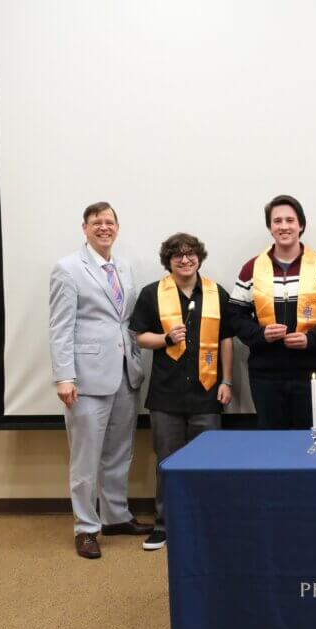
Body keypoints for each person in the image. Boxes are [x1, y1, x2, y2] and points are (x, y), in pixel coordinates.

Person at [49, 201, 150, 559]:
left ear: (117, 228)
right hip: (87, 378)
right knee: (86, 458)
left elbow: (125, 320)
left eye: (109, 222)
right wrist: (64, 376)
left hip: (125, 373)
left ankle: (115, 516)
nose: (104, 227)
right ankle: (86, 528)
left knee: (119, 453)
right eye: (97, 222)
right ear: (85, 228)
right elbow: (60, 327)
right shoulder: (67, 268)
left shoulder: (123, 266)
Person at [130, 233, 233, 551]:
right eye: (177, 255)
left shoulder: (217, 293)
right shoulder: (152, 293)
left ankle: (206, 522)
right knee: (168, 462)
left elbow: (227, 340)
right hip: (166, 394)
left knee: (208, 462)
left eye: (190, 254)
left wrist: (226, 381)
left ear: (199, 257)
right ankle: (164, 525)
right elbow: (139, 336)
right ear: (168, 260)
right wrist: (165, 339)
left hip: (207, 392)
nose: (185, 259)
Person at [229, 195, 316, 428]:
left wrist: (310, 339)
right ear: (270, 227)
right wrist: (260, 335)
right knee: (271, 443)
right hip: (265, 374)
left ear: (301, 225)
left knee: (311, 440)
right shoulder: (252, 268)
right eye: (277, 221)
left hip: (312, 371)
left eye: (290, 220)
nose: (284, 226)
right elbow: (235, 316)